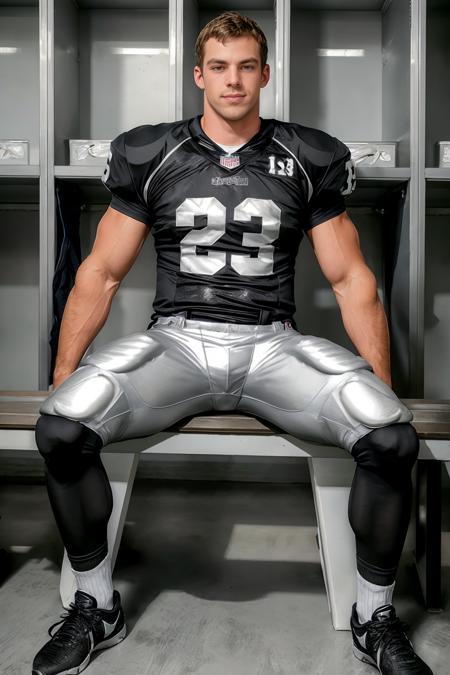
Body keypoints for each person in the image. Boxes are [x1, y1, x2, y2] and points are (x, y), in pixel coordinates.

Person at [32, 12, 432, 675]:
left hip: (273, 344)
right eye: (219, 66)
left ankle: (375, 614)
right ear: (199, 75)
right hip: (178, 344)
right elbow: (100, 274)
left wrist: (380, 387)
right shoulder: (152, 151)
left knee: (390, 436)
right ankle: (95, 605)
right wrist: (63, 375)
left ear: (265, 73)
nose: (233, 79)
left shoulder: (307, 155)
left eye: (247, 65)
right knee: (61, 428)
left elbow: (351, 278)